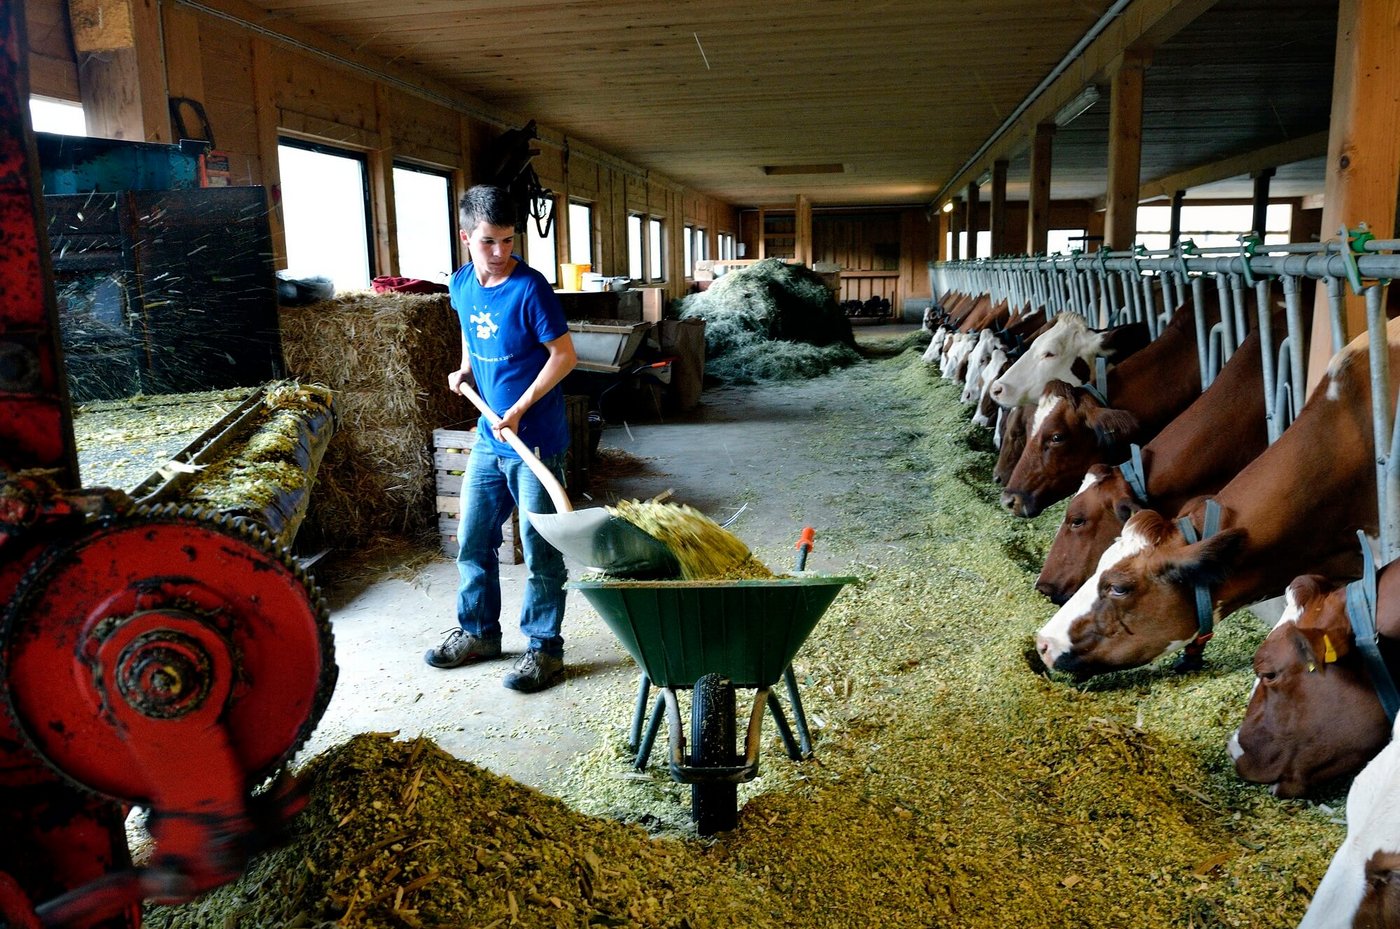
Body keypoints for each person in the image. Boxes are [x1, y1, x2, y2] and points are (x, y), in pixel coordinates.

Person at [425, 184, 578, 693]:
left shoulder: (531, 288)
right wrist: (465, 368)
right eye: (489, 241)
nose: (500, 252)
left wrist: (516, 410)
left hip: (533, 439)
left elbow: (564, 357)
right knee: (473, 539)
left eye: (509, 241)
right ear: (466, 236)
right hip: (491, 438)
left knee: (539, 549)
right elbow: (471, 327)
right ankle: (479, 633)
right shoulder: (462, 283)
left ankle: (544, 649)